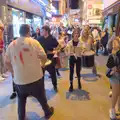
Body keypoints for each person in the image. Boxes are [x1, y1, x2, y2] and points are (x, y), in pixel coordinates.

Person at [5, 24, 54, 120]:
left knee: (21, 100)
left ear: (19, 32)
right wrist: (42, 64)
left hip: (19, 80)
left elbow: (7, 62)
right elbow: (44, 56)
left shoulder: (12, 45)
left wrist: (13, 72)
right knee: (41, 97)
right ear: (28, 32)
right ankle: (47, 112)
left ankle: (21, 117)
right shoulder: (34, 42)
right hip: (35, 78)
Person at [37, 25, 59, 92]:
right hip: (41, 60)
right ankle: (41, 88)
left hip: (50, 59)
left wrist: (54, 51)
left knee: (53, 74)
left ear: (47, 31)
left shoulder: (52, 38)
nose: (41, 32)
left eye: (42, 31)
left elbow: (58, 46)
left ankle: (55, 86)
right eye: (41, 30)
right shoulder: (39, 38)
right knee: (41, 75)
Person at [106, 37, 120, 119]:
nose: (114, 45)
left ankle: (118, 108)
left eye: (116, 43)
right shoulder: (112, 53)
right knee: (115, 94)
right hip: (114, 76)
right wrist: (113, 68)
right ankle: (112, 109)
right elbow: (109, 64)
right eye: (113, 43)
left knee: (118, 93)